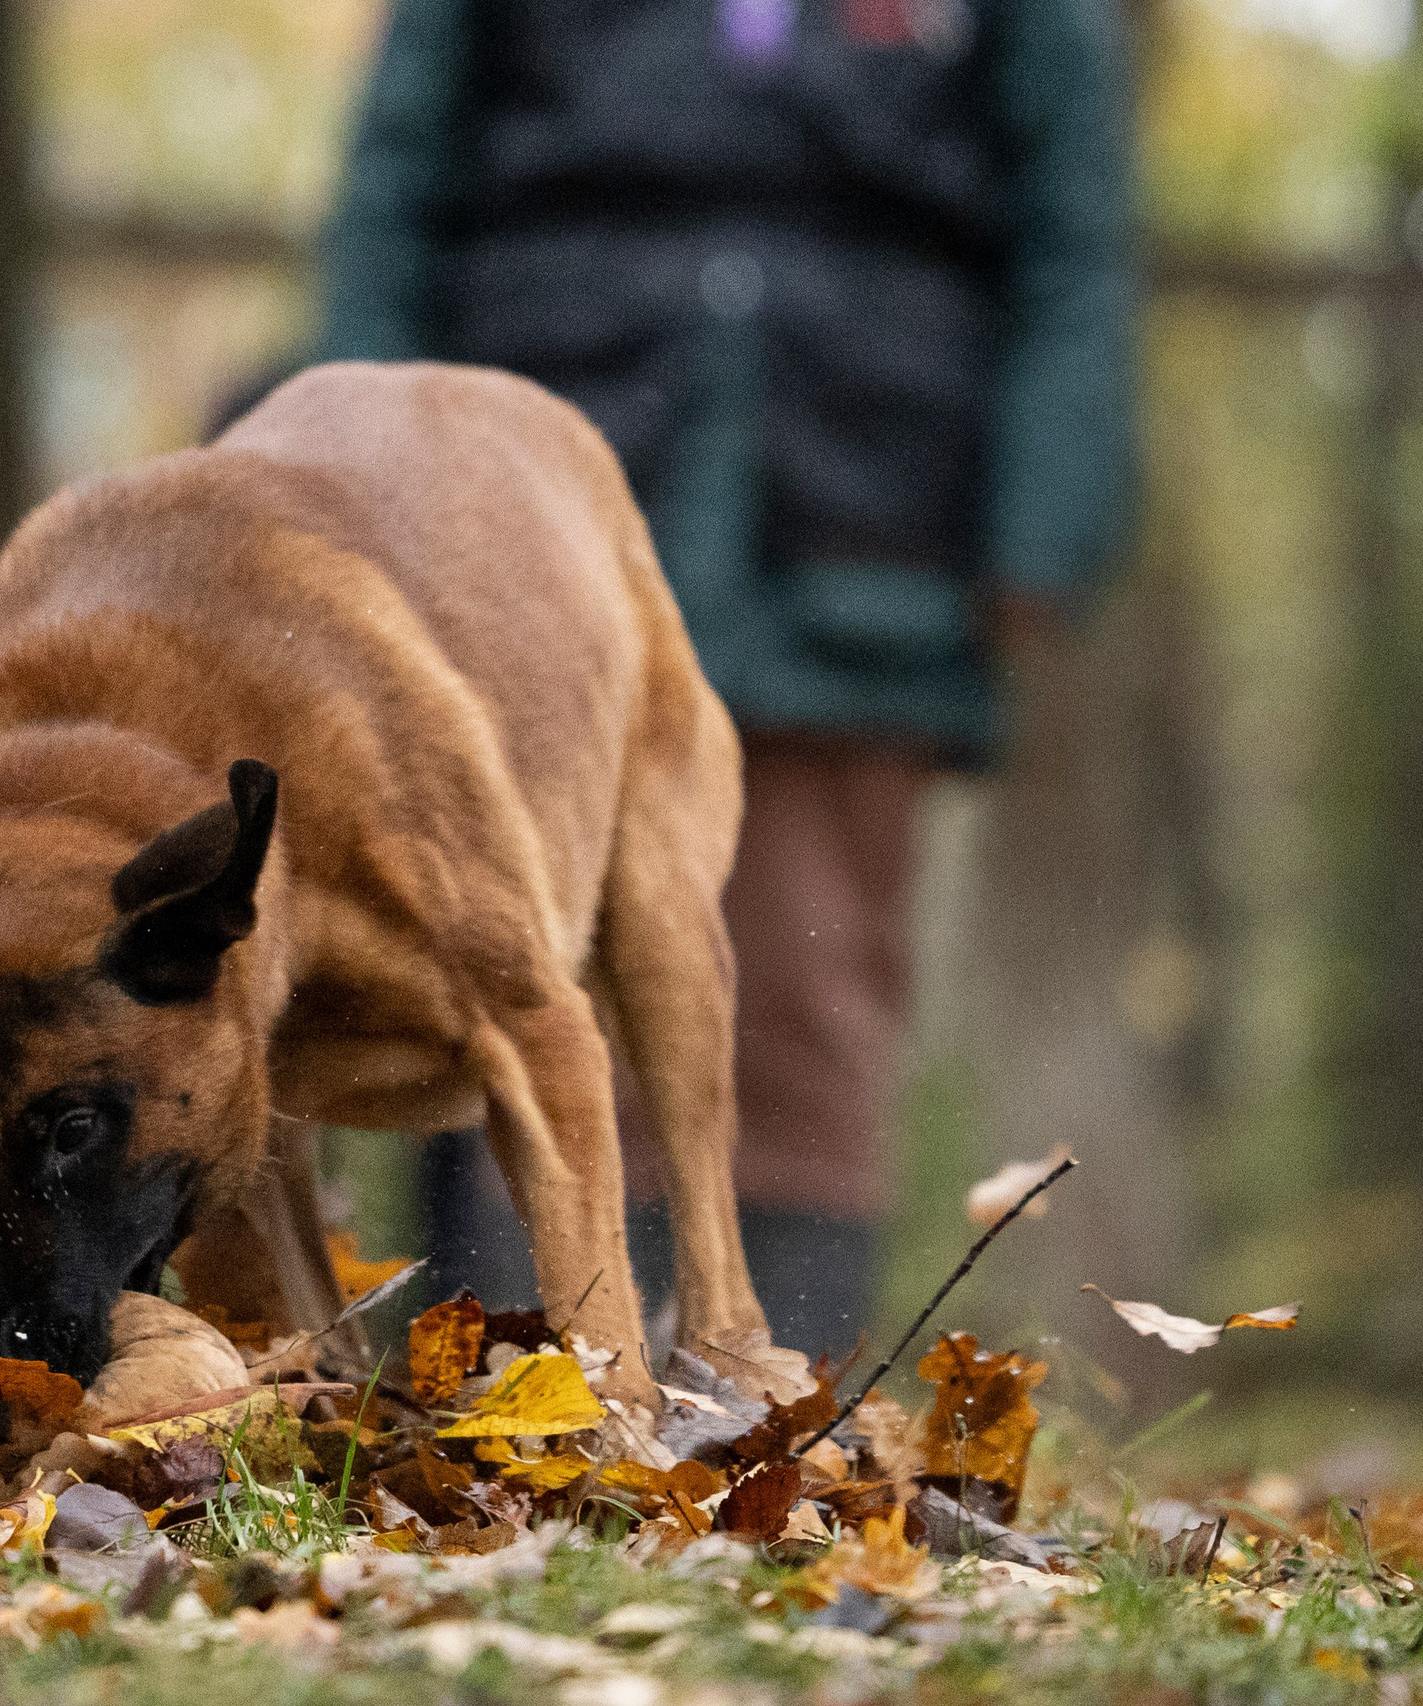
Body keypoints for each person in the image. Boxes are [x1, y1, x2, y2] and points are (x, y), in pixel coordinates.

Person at [317, 0, 1136, 1360]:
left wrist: (1048, 515)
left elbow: (1073, 236)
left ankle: (770, 1407)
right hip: (527, 509)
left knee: (804, 982)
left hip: (868, 515)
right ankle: (520, 1394)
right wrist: (363, 463)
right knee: (519, 949)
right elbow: (397, 185)